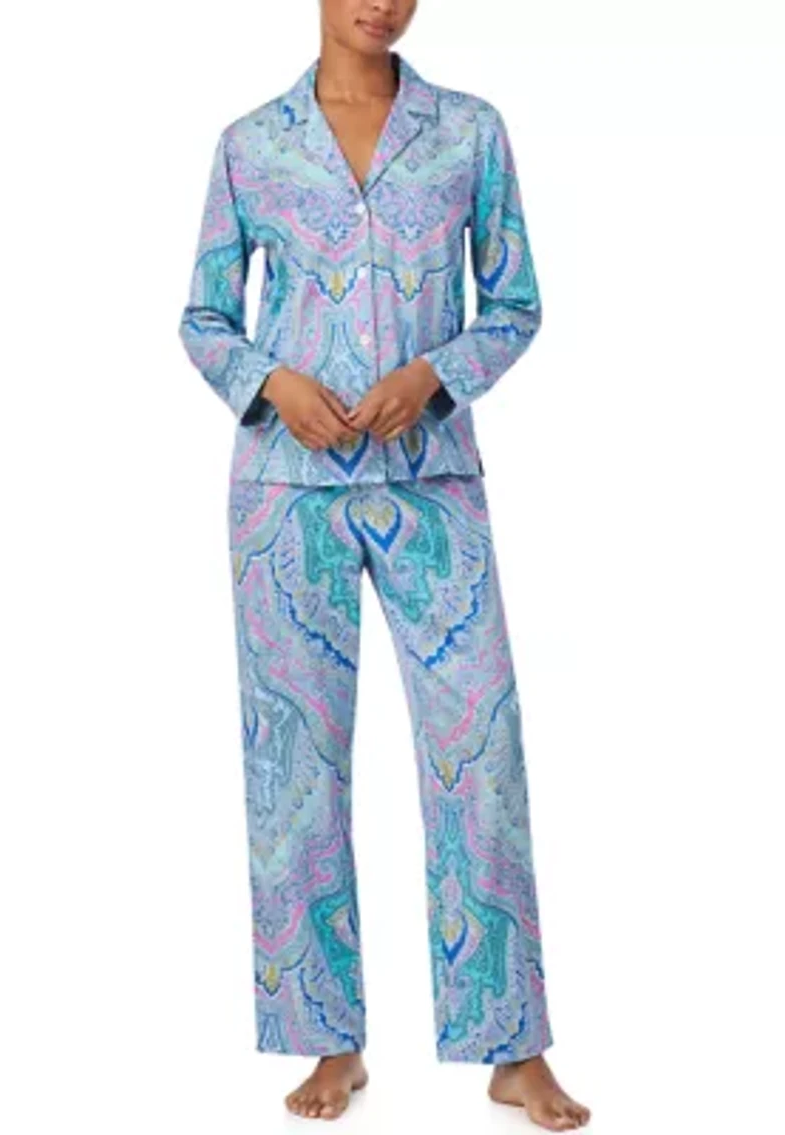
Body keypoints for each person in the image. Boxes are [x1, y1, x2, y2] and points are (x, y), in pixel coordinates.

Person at [178, 1, 590, 1128]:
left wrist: (435, 373)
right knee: (296, 767)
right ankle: (329, 1042)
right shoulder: (250, 145)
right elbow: (205, 318)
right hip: (283, 494)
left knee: (480, 752)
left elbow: (514, 302)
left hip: (432, 480)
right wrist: (272, 383)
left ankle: (512, 1046)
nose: (384, 0)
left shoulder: (468, 132)